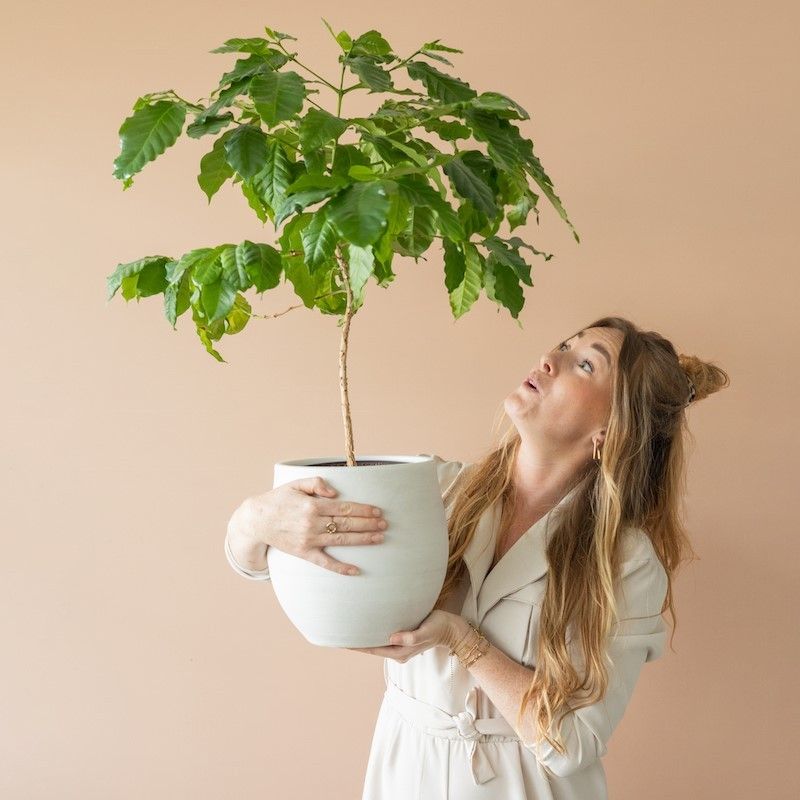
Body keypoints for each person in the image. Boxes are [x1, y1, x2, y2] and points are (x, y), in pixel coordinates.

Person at [224, 315, 730, 799]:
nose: (550, 359)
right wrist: (255, 522)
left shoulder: (626, 560)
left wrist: (461, 640)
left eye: (585, 364)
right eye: (564, 344)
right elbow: (269, 564)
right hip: (405, 771)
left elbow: (572, 742)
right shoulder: (433, 490)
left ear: (609, 430)